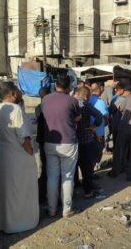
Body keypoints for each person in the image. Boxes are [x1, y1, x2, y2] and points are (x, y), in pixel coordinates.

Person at [0, 82, 39, 233]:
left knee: (3, 190)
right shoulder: (16, 109)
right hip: (16, 156)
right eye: (18, 90)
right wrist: (31, 152)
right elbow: (23, 136)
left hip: (0, 154)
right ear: (12, 93)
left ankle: (1, 223)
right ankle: (19, 223)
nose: (19, 93)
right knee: (18, 190)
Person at [42, 75, 81, 218]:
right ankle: (66, 209)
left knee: (52, 176)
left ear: (55, 84)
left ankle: (52, 209)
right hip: (68, 142)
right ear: (69, 87)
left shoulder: (45, 99)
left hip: (50, 142)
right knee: (67, 177)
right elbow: (77, 118)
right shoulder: (72, 101)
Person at [75, 87, 103, 199]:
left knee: (73, 166)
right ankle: (88, 191)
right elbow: (99, 116)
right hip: (86, 140)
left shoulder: (71, 103)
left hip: (72, 140)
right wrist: (94, 126)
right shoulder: (86, 105)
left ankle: (75, 186)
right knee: (86, 167)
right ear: (87, 96)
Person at [36, 87, 50, 204]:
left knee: (44, 167)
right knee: (48, 168)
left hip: (42, 140)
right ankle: (44, 194)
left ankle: (42, 194)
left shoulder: (38, 108)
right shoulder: (47, 107)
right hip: (49, 140)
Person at [89, 83, 109, 162]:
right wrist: (106, 123)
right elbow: (106, 116)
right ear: (98, 90)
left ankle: (91, 170)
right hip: (99, 132)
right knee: (97, 152)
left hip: (88, 130)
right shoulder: (101, 102)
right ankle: (93, 171)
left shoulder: (87, 100)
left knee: (90, 153)